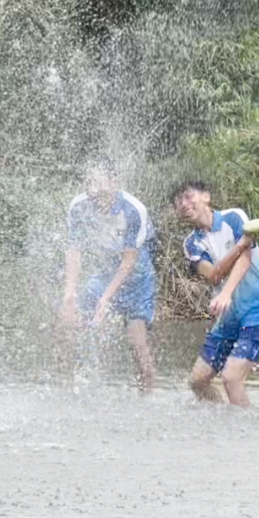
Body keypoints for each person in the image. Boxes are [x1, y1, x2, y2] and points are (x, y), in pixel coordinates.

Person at [172, 181, 259, 408]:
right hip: (229, 319)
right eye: (177, 203)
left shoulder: (234, 217)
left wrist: (226, 293)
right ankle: (226, 419)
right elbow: (213, 275)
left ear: (206, 196)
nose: (183, 204)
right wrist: (239, 245)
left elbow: (245, 258)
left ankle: (250, 432)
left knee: (231, 378)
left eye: (187, 196)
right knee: (198, 381)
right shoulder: (191, 244)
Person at [60, 161, 157, 391]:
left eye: (98, 183)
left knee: (137, 344)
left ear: (114, 183)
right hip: (104, 274)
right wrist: (69, 293)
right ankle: (66, 390)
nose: (93, 190)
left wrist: (105, 298)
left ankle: (148, 401)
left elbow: (129, 261)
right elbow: (74, 251)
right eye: (89, 183)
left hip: (137, 279)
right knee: (66, 323)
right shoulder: (79, 206)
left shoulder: (134, 209)